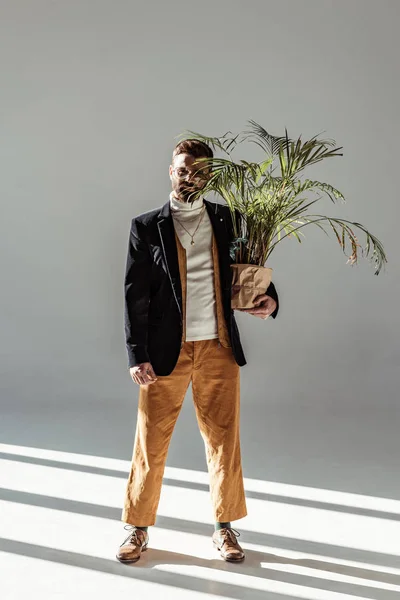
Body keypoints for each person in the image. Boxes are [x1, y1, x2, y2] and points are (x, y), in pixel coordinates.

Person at [116, 139, 279, 564]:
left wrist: (269, 299)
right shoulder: (147, 226)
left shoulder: (228, 219)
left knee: (224, 441)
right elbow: (135, 295)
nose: (190, 177)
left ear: (210, 175)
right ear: (171, 171)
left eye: (199, 171)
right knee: (151, 441)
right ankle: (137, 528)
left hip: (219, 347)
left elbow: (251, 263)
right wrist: (137, 353)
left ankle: (225, 528)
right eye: (183, 169)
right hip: (166, 350)